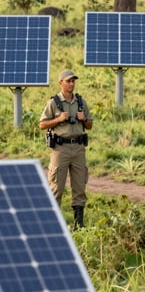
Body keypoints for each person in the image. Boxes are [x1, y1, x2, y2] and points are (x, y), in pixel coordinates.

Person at [39, 69, 94, 228]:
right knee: (56, 186)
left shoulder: (81, 102)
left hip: (78, 147)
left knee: (79, 186)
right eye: (68, 81)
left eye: (73, 81)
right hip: (60, 149)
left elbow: (89, 125)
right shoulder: (53, 103)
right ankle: (51, 224)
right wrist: (58, 119)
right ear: (61, 83)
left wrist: (84, 119)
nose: (71, 84)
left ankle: (79, 224)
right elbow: (42, 124)